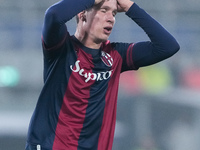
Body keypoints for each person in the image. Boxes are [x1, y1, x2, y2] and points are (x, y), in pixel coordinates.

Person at [25, 0, 180, 149]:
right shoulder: (61, 47)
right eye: (104, 10)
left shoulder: (116, 55)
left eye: (114, 13)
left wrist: (130, 7)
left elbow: (167, 46)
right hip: (51, 145)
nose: (111, 18)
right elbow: (54, 15)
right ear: (82, 14)